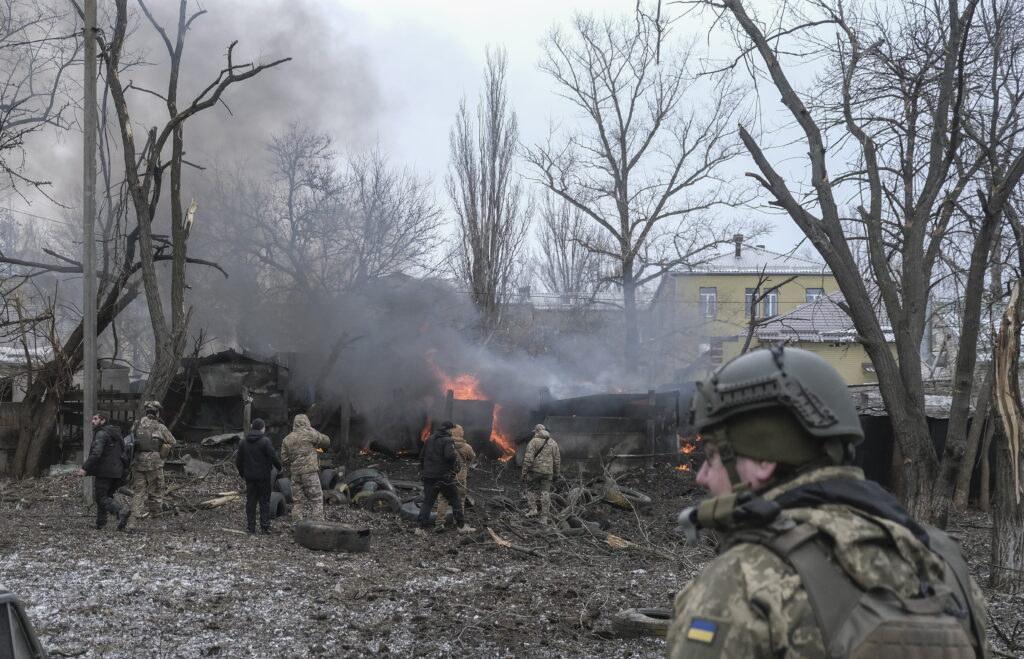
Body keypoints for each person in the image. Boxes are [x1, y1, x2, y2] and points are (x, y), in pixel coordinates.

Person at [666, 344, 990, 658]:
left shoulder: (743, 580)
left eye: (711, 456)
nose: (702, 476)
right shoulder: (943, 563)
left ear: (764, 460)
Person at [416, 421, 475, 535]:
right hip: (443, 476)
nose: (453, 431)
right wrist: (455, 465)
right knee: (455, 498)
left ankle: (420, 528)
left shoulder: (430, 439)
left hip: (428, 476)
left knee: (428, 501)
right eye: (452, 429)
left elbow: (422, 456)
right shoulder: (448, 440)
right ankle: (461, 526)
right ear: (449, 430)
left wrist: (424, 471)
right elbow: (449, 455)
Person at [76, 411, 131, 531]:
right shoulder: (117, 434)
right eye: (93, 419)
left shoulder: (101, 434)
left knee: (101, 497)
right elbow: (124, 453)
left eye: (95, 419)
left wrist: (84, 468)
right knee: (106, 496)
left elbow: (96, 454)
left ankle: (121, 510)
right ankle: (100, 523)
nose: (93, 421)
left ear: (103, 421)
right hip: (117, 471)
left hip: (105, 471)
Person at [127, 400, 176, 530]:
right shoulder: (160, 426)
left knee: (139, 492)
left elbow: (129, 440)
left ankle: (132, 521)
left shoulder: (136, 424)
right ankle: (157, 520)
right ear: (157, 412)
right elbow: (172, 441)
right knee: (155, 491)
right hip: (154, 463)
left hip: (137, 462)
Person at [280, 413, 330, 522]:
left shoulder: (287, 439)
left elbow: (284, 460)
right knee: (316, 498)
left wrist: (295, 461)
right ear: (307, 423)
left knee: (298, 501)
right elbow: (326, 441)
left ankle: (297, 526)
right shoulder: (311, 434)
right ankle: (317, 525)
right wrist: (313, 430)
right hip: (310, 472)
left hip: (295, 473)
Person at [236, 418, 282, 534]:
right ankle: (264, 528)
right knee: (264, 502)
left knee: (250, 503)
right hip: (264, 477)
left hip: (250, 477)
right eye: (264, 427)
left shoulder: (243, 442)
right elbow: (273, 457)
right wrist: (279, 467)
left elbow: (238, 461)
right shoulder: (265, 441)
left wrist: (243, 474)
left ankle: (251, 528)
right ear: (262, 428)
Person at [434, 423, 475, 530]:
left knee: (443, 498)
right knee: (460, 498)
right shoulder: (467, 447)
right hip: (460, 476)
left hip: (446, 475)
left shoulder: (444, 444)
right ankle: (458, 524)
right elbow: (472, 458)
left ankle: (439, 523)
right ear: (462, 434)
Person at [521, 423, 560, 523]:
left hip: (535, 471)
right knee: (545, 492)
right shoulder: (553, 442)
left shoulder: (533, 442)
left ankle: (533, 509)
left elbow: (528, 459)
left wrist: (524, 472)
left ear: (537, 431)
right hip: (548, 473)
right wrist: (556, 473)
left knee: (530, 489)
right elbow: (557, 460)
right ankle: (544, 517)